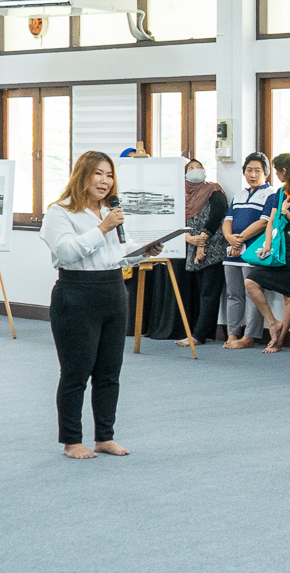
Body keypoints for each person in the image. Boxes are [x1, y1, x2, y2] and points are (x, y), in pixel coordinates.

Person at [42, 151, 159, 459]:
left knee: (109, 373)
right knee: (76, 373)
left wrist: (144, 251)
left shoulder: (109, 211)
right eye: (98, 174)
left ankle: (104, 437)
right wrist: (103, 228)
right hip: (76, 294)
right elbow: (67, 252)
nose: (105, 181)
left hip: (113, 291)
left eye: (109, 175)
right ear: (82, 175)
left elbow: (119, 252)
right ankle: (72, 441)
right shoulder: (60, 212)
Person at [243, 152, 290, 353]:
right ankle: (273, 323)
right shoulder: (279, 193)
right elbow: (271, 220)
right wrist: (267, 244)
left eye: (277, 171)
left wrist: (286, 211)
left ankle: (280, 341)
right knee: (250, 282)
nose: (276, 175)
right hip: (278, 245)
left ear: (285, 170)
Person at [220, 153, 276, 350]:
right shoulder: (239, 195)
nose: (253, 175)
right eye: (249, 170)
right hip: (232, 253)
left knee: (253, 293)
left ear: (266, 173)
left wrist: (240, 240)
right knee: (233, 294)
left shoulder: (271, 194)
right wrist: (230, 238)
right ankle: (232, 333)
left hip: (252, 252)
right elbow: (227, 221)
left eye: (257, 171)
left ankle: (250, 336)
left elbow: (263, 222)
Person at [176, 157, 228, 348]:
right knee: (200, 292)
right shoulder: (183, 196)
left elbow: (217, 215)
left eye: (199, 167)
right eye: (191, 168)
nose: (195, 170)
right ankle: (207, 333)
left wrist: (202, 241)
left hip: (213, 249)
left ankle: (198, 335)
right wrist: (191, 240)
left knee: (209, 293)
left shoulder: (214, 190)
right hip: (193, 248)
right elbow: (177, 222)